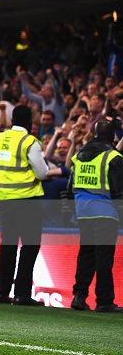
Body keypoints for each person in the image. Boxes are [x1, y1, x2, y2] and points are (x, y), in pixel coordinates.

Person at [0, 105, 49, 306]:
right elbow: (42, 173)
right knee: (30, 244)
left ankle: (1, 293)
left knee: (8, 244)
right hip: (25, 199)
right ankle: (22, 294)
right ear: (30, 122)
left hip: (3, 199)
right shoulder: (29, 142)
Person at [68, 119, 123, 313]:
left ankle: (79, 296)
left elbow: (70, 186)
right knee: (103, 257)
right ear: (111, 136)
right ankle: (104, 300)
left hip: (83, 212)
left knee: (86, 255)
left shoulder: (79, 154)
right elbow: (118, 192)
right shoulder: (113, 157)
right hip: (105, 212)